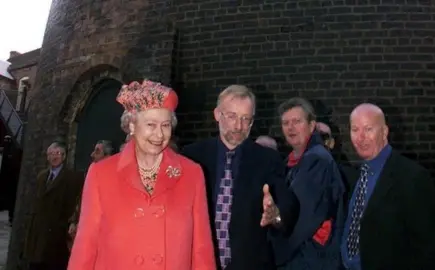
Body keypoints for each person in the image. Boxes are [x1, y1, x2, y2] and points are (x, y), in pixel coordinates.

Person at [68, 80, 216, 270]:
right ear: (131, 125)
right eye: (151, 125)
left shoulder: (191, 174)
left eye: (165, 125)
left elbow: (201, 250)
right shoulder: (101, 174)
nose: (159, 135)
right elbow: (85, 246)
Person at [182, 84, 299, 270]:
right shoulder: (192, 157)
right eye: (232, 117)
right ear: (217, 115)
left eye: (246, 119)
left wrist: (276, 215)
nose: (239, 126)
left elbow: (287, 206)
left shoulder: (267, 160)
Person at [341, 103, 435, 270]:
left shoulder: (412, 176)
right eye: (355, 129)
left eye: (368, 129)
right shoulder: (356, 176)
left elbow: (430, 248)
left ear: (384, 132)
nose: (360, 137)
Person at [273, 98, 345, 270]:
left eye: (297, 121)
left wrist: (275, 253)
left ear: (312, 125)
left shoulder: (317, 161)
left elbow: (302, 218)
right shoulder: (291, 162)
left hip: (309, 259)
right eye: (286, 123)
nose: (291, 128)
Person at [23, 141, 84, 270]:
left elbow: (73, 203)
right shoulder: (42, 176)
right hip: (39, 232)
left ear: (64, 156)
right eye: (51, 154)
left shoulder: (72, 178)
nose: (54, 157)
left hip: (57, 233)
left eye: (57, 153)